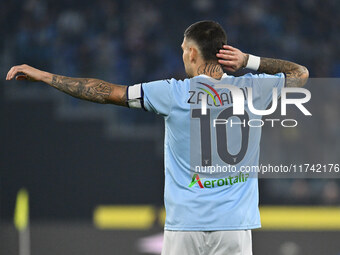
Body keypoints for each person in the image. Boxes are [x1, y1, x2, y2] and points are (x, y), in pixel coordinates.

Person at [6, 20, 308, 255]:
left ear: (191, 52)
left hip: (184, 228)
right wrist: (248, 61)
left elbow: (106, 93)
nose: (182, 55)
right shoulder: (253, 90)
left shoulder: (171, 92)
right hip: (235, 228)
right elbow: (300, 73)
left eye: (182, 49)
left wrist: (45, 76)